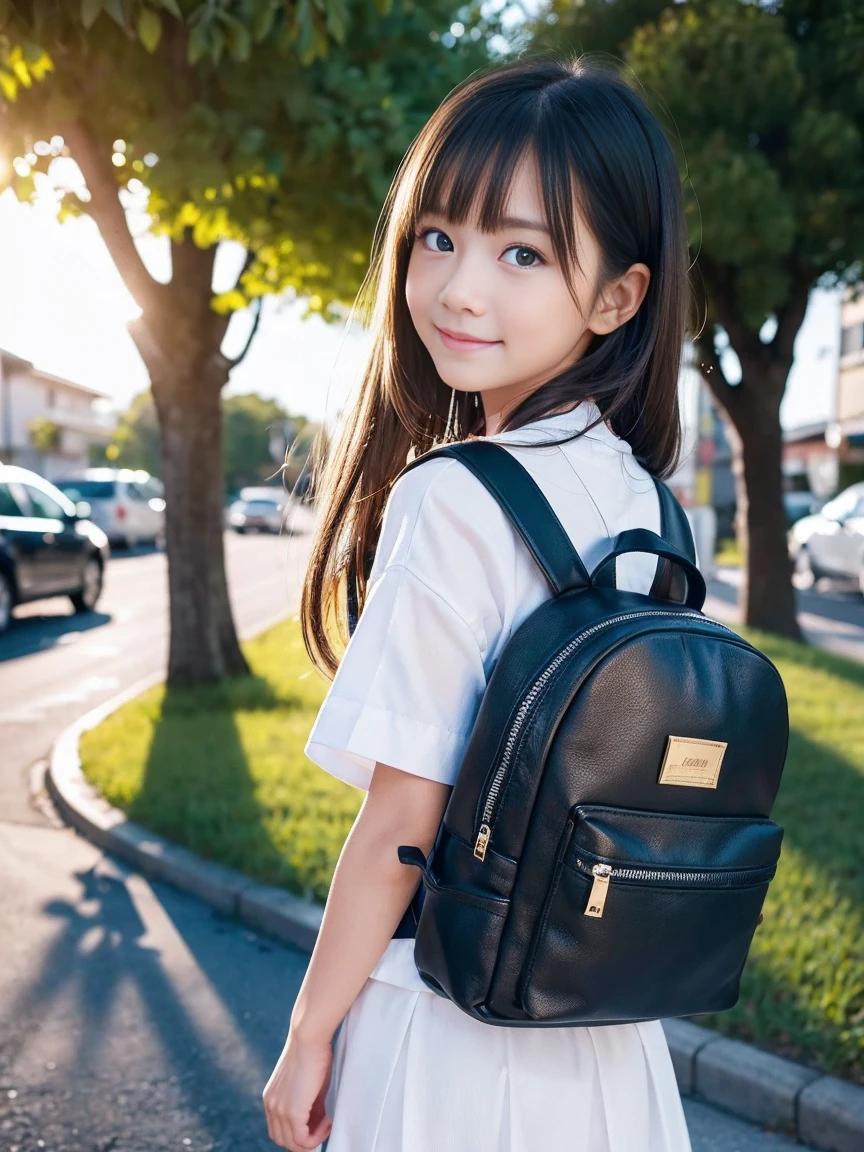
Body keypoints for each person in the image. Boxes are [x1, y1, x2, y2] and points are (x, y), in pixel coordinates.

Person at [263, 53, 695, 1152]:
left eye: (522, 252)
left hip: (453, 1040)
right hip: (608, 1046)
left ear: (618, 296)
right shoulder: (654, 507)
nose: (459, 287)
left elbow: (405, 822)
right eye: (437, 236)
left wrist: (309, 1032)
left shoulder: (456, 495)